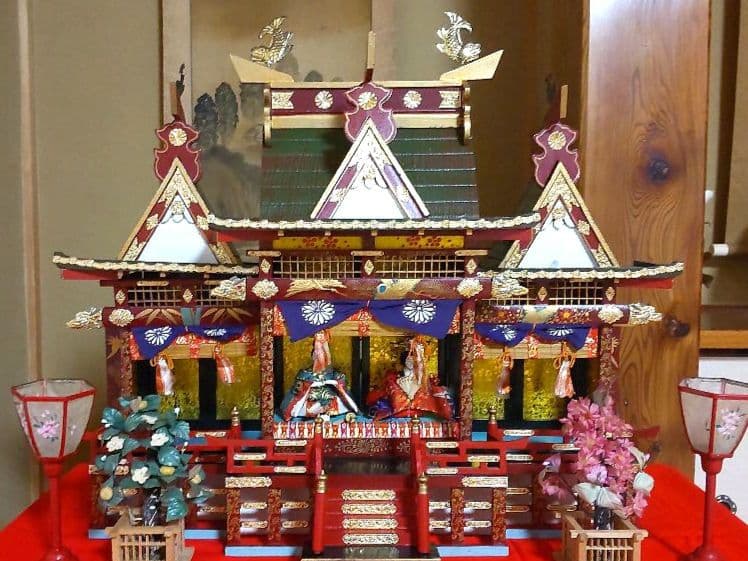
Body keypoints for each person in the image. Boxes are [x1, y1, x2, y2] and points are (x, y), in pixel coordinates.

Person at [367, 336, 453, 420]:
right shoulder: (393, 380)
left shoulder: (428, 381)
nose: (414, 360)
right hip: (398, 411)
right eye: (411, 355)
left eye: (419, 357)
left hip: (420, 411)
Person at [280, 330, 360, 421]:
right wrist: (310, 385)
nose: (320, 359)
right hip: (311, 399)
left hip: (329, 396)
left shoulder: (332, 373)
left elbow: (341, 382)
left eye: (323, 357)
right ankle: (314, 412)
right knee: (310, 402)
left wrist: (334, 383)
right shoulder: (305, 373)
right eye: (317, 356)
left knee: (333, 399)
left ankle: (327, 411)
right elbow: (298, 388)